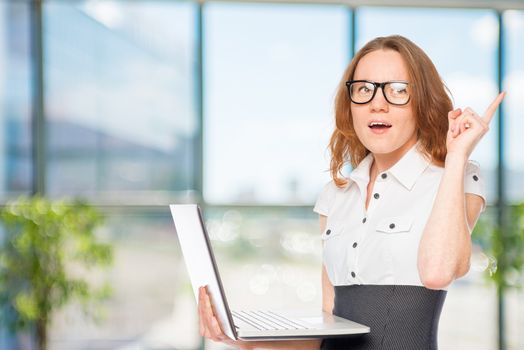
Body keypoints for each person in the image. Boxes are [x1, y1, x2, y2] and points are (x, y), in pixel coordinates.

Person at [197, 35, 505, 349]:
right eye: (363, 89)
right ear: (350, 105)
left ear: (421, 102)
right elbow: (325, 336)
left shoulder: (458, 177)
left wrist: (456, 157)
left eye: (398, 90)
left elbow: (438, 272)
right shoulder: (335, 196)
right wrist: (239, 338)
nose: (378, 103)